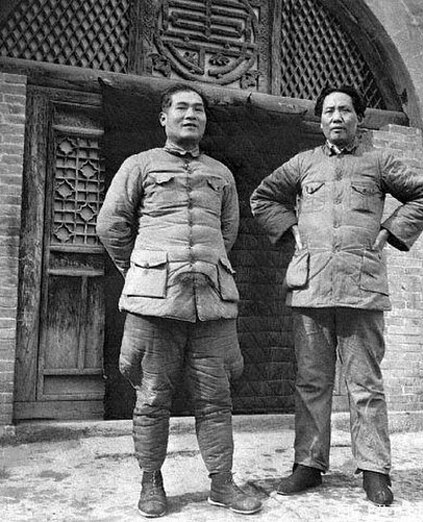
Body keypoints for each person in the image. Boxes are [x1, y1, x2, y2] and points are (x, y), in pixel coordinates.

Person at [250, 85, 423, 506]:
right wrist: (293, 230)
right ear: (320, 121)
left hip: (361, 287)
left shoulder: (379, 161)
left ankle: (374, 470)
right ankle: (308, 465)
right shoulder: (303, 164)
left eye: (345, 110)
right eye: (329, 111)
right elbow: (262, 197)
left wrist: (388, 233)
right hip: (311, 287)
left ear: (359, 118)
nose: (337, 117)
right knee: (311, 382)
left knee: (364, 384)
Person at [96, 83, 262, 518]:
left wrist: (204, 267)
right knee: (152, 396)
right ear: (164, 117)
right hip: (154, 304)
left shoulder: (222, 174)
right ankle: (151, 482)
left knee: (217, 397)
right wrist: (141, 273)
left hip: (212, 301)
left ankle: (222, 483)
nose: (192, 114)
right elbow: (111, 225)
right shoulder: (139, 165)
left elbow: (228, 234)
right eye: (182, 107)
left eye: (199, 109)